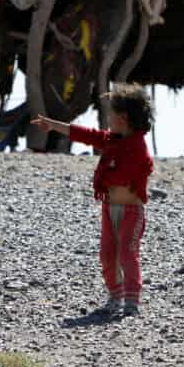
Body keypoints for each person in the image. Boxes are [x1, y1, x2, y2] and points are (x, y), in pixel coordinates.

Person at [31, 84, 154, 317]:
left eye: (111, 114)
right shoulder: (113, 140)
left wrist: (106, 177)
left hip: (131, 211)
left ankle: (131, 300)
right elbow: (85, 135)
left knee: (128, 253)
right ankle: (115, 296)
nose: (107, 118)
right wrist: (54, 125)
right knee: (107, 254)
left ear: (123, 118)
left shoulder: (137, 146)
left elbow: (127, 173)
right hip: (110, 209)